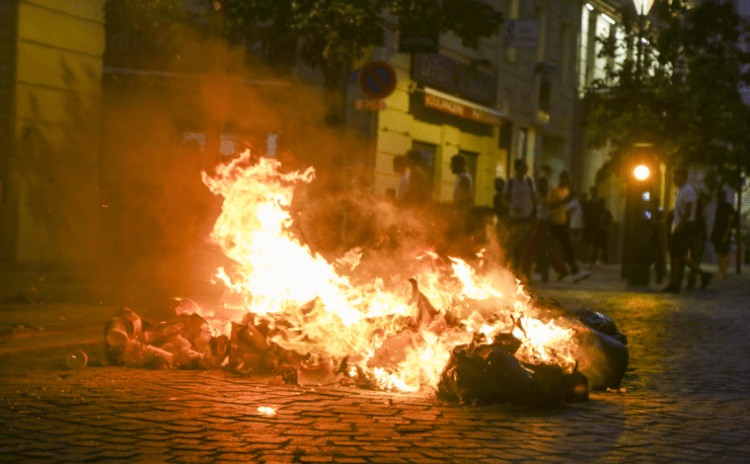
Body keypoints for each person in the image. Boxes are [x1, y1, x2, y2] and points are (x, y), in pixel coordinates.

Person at [662, 167, 712, 294]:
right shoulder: (680, 191)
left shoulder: (688, 191)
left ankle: (683, 281)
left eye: (676, 176)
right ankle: (676, 282)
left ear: (683, 177)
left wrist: (680, 226)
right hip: (682, 225)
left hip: (685, 227)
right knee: (676, 255)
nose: (674, 179)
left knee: (677, 255)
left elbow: (689, 210)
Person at [546, 171, 591, 282]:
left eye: (570, 181)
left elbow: (565, 207)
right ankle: (567, 271)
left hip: (562, 223)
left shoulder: (566, 191)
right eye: (567, 180)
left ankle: (571, 271)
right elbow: (549, 206)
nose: (568, 183)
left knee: (567, 248)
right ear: (561, 179)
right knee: (550, 249)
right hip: (552, 223)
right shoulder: (554, 191)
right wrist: (564, 202)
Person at [503, 159, 537, 278]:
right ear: (517, 168)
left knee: (524, 248)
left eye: (526, 168)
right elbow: (504, 199)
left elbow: (534, 198)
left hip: (527, 220)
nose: (525, 170)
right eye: (523, 167)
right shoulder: (511, 182)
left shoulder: (529, 181)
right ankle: (511, 272)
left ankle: (522, 273)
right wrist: (512, 206)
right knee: (513, 247)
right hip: (515, 220)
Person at [686, 191, 711, 290]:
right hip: (695, 235)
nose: (707, 203)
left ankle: (692, 282)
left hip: (697, 235)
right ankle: (698, 278)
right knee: (693, 259)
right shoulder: (697, 208)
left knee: (694, 259)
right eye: (707, 201)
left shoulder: (699, 208)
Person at [711, 189, 736, 279]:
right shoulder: (719, 206)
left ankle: (723, 272)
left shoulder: (728, 207)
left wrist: (726, 235)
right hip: (718, 233)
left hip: (724, 233)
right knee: (719, 253)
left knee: (724, 254)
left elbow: (730, 222)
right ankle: (720, 272)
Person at [568, 191, 586, 261]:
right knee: (573, 242)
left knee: (579, 242)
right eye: (583, 198)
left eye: (584, 198)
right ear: (580, 197)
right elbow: (567, 209)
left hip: (580, 227)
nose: (583, 199)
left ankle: (577, 257)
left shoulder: (583, 205)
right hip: (573, 226)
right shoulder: (574, 203)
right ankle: (572, 257)